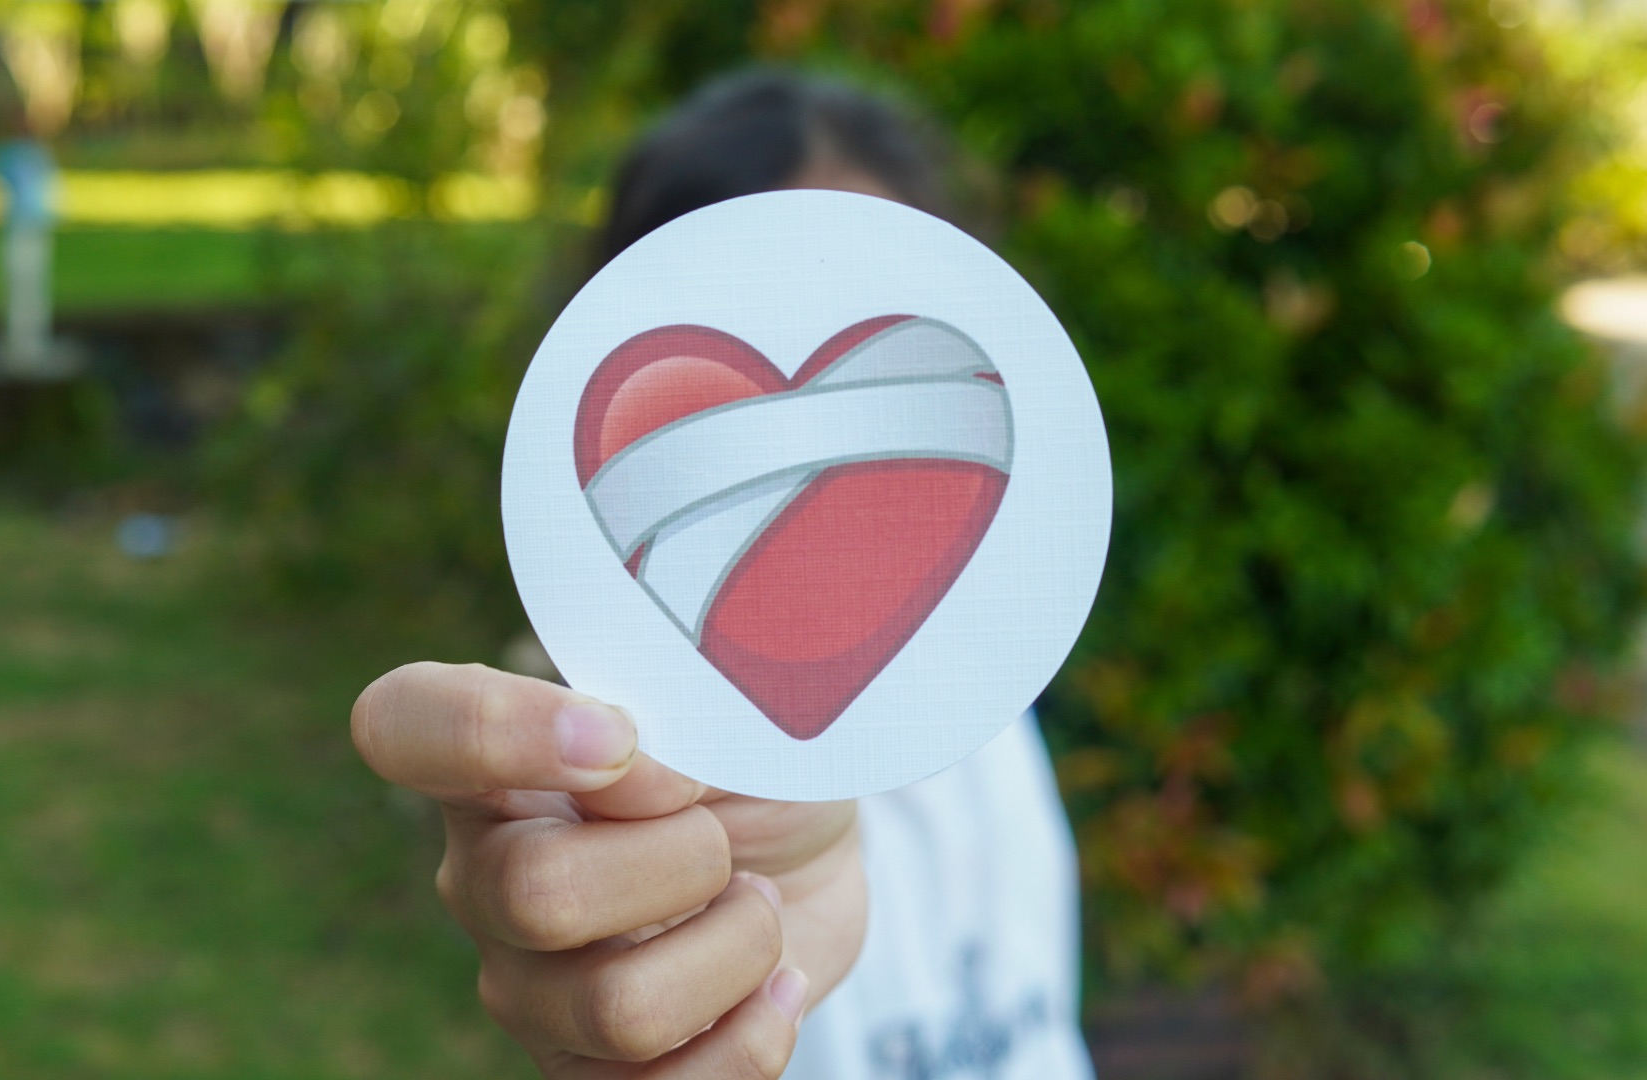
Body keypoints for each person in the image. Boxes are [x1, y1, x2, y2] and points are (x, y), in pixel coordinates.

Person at [351, 71, 1094, 1079]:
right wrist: (684, 877)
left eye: (879, 301)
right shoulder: (648, 761)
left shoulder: (975, 679)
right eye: (768, 300)